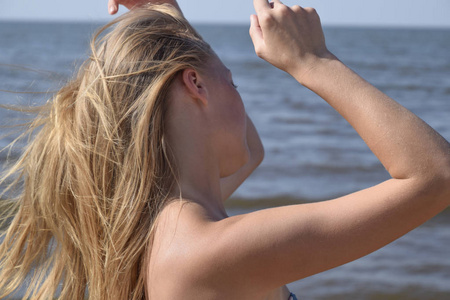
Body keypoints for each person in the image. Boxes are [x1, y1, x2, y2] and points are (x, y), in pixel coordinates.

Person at [0, 0, 448, 299]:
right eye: (232, 81)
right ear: (193, 84)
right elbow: (435, 177)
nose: (241, 97)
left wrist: (168, 15)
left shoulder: (159, 229)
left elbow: (252, 150)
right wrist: (312, 60)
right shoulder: (207, 253)